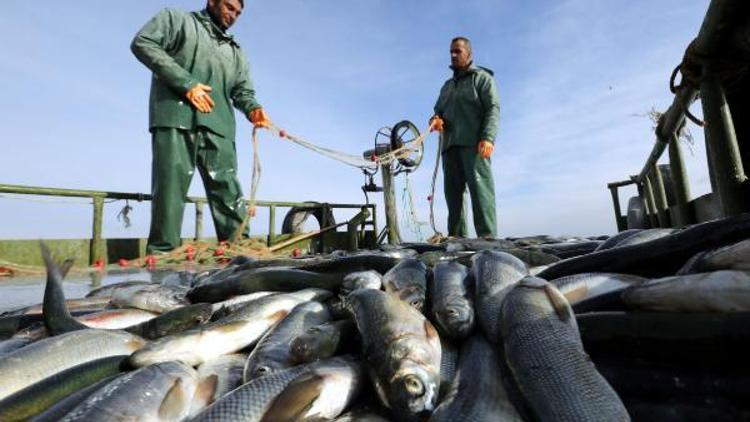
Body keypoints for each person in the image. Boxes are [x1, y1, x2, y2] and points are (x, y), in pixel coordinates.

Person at [131, 0, 271, 253]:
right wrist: (187, 84)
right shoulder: (176, 19)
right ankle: (163, 255)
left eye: (238, 12)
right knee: (169, 193)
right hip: (175, 119)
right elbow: (143, 42)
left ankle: (239, 252)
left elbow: (242, 91)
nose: (234, 15)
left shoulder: (235, 51)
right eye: (229, 7)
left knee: (229, 193)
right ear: (211, 1)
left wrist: (253, 108)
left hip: (220, 128)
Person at [429, 37, 500, 238]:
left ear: (469, 53)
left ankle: (488, 242)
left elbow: (493, 108)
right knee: (454, 201)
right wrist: (435, 119)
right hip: (449, 148)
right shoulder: (446, 86)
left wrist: (488, 137)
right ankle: (457, 243)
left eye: (457, 51)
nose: (453, 55)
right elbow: (437, 111)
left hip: (474, 145)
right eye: (451, 51)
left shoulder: (483, 78)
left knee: (481, 195)